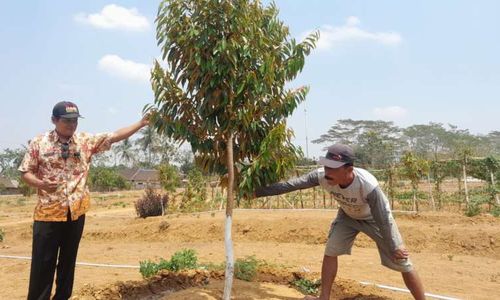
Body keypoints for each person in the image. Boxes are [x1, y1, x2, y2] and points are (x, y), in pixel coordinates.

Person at [255, 144, 426, 300]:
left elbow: (383, 218)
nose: (327, 170)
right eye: (326, 165)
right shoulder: (321, 176)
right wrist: (257, 192)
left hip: (374, 219)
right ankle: (324, 298)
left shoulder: (367, 185)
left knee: (402, 261)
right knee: (331, 250)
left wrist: (394, 245)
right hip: (347, 216)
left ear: (348, 169)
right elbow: (291, 185)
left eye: (333, 167)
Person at [18, 101, 150, 300]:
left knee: (67, 263)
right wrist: (40, 184)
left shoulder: (84, 141)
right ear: (54, 120)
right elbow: (25, 172)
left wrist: (140, 123)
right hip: (48, 214)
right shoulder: (39, 142)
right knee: (42, 264)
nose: (72, 125)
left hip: (76, 213)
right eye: (67, 121)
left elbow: (114, 136)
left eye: (74, 121)